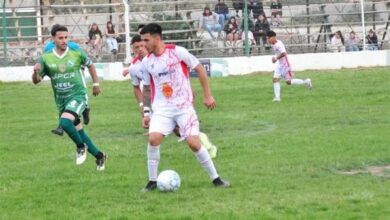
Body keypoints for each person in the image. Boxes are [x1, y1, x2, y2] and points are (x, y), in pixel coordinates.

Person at [139, 23, 229, 191]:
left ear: (157, 38)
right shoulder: (146, 62)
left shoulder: (177, 52)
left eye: (146, 40)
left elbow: (200, 69)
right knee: (153, 139)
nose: (143, 45)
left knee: (194, 143)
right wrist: (146, 112)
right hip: (162, 109)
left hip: (183, 107)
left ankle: (216, 178)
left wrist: (207, 95)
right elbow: (147, 88)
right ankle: (152, 181)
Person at [123, 35, 218, 158]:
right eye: (136, 47)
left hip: (175, 99)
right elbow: (136, 87)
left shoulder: (162, 56)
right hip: (157, 101)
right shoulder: (134, 67)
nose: (140, 49)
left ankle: (209, 147)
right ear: (133, 49)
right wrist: (142, 105)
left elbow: (176, 75)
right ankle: (204, 146)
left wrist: (189, 88)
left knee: (182, 129)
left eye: (142, 45)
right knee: (178, 131)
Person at [32, 24, 107, 170]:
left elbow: (91, 65)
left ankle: (80, 148)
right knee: (80, 132)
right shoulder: (46, 58)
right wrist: (35, 73)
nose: (64, 40)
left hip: (78, 95)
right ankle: (99, 156)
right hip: (61, 100)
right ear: (53, 39)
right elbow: (36, 81)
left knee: (65, 122)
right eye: (61, 38)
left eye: (66, 37)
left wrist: (96, 83)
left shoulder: (76, 53)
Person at [43, 41, 91, 136]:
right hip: (59, 74)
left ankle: (85, 108)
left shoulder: (72, 45)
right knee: (62, 99)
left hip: (74, 71)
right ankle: (62, 125)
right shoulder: (48, 47)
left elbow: (81, 56)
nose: (62, 39)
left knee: (81, 91)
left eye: (64, 37)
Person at [267, 30, 312, 102]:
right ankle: (277, 98)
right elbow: (278, 52)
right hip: (279, 65)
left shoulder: (279, 44)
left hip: (285, 64)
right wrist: (274, 58)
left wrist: (275, 58)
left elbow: (284, 53)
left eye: (269, 38)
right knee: (275, 80)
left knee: (288, 82)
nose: (268, 40)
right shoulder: (274, 44)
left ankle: (306, 82)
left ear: (273, 37)